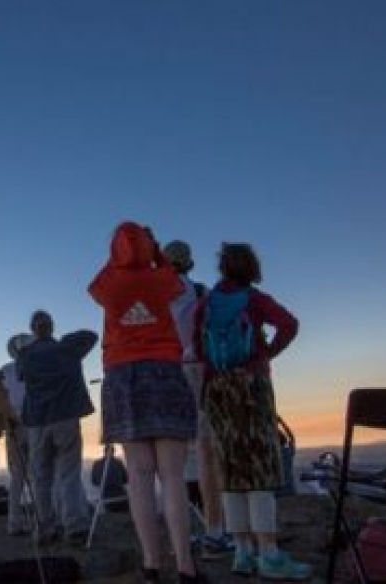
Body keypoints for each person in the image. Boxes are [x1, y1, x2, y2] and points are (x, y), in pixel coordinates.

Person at [88, 223, 203, 584]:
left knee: (139, 476)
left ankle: (151, 565)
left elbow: (95, 287)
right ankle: (185, 566)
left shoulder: (108, 284)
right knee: (172, 475)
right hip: (165, 370)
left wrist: (120, 256)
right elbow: (176, 282)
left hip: (122, 375)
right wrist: (153, 252)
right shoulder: (164, 279)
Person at [195, 242, 309, 580]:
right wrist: (265, 356)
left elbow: (198, 346)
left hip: (217, 390)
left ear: (222, 269)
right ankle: (270, 555)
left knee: (230, 469)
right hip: (252, 387)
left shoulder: (207, 304)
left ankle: (242, 553)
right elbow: (289, 324)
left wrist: (216, 376)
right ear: (252, 269)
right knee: (259, 467)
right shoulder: (255, 299)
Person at [162, 239, 233, 558]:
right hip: (197, 369)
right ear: (188, 263)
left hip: (163, 373)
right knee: (207, 451)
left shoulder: (153, 293)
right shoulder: (201, 291)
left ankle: (181, 534)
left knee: (170, 455)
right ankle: (215, 531)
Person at [18, 310, 97, 545]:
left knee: (41, 477)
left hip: (37, 422)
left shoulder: (25, 354)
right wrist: (64, 341)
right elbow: (91, 336)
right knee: (69, 473)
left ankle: (46, 528)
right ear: (51, 327)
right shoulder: (67, 348)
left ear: (33, 329)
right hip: (65, 418)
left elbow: (22, 376)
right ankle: (74, 526)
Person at [1, 332, 33, 536]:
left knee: (17, 477)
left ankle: (14, 522)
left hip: (12, 425)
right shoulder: (37, 367)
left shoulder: (5, 371)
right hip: (35, 423)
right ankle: (46, 520)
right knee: (40, 473)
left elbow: (0, 400)